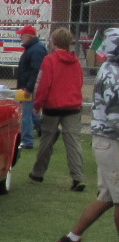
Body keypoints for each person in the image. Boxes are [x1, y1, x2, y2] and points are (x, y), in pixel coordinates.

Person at [52, 27, 119, 242]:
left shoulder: (109, 69)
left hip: (106, 141)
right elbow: (115, 117)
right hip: (111, 141)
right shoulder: (113, 75)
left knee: (107, 197)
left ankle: (70, 240)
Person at [31, 27, 87, 190]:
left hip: (53, 106)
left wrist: (37, 104)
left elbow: (43, 85)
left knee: (47, 141)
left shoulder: (49, 60)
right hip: (73, 106)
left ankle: (38, 172)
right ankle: (78, 177)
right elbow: (80, 82)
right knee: (73, 142)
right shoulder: (76, 62)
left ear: (54, 42)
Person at [15, 25, 48, 150]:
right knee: (29, 114)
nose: (21, 37)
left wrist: (29, 88)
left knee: (26, 115)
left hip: (30, 87)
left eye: (22, 35)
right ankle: (44, 126)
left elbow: (36, 71)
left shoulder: (36, 49)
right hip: (28, 86)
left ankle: (27, 140)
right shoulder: (34, 48)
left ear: (28, 36)